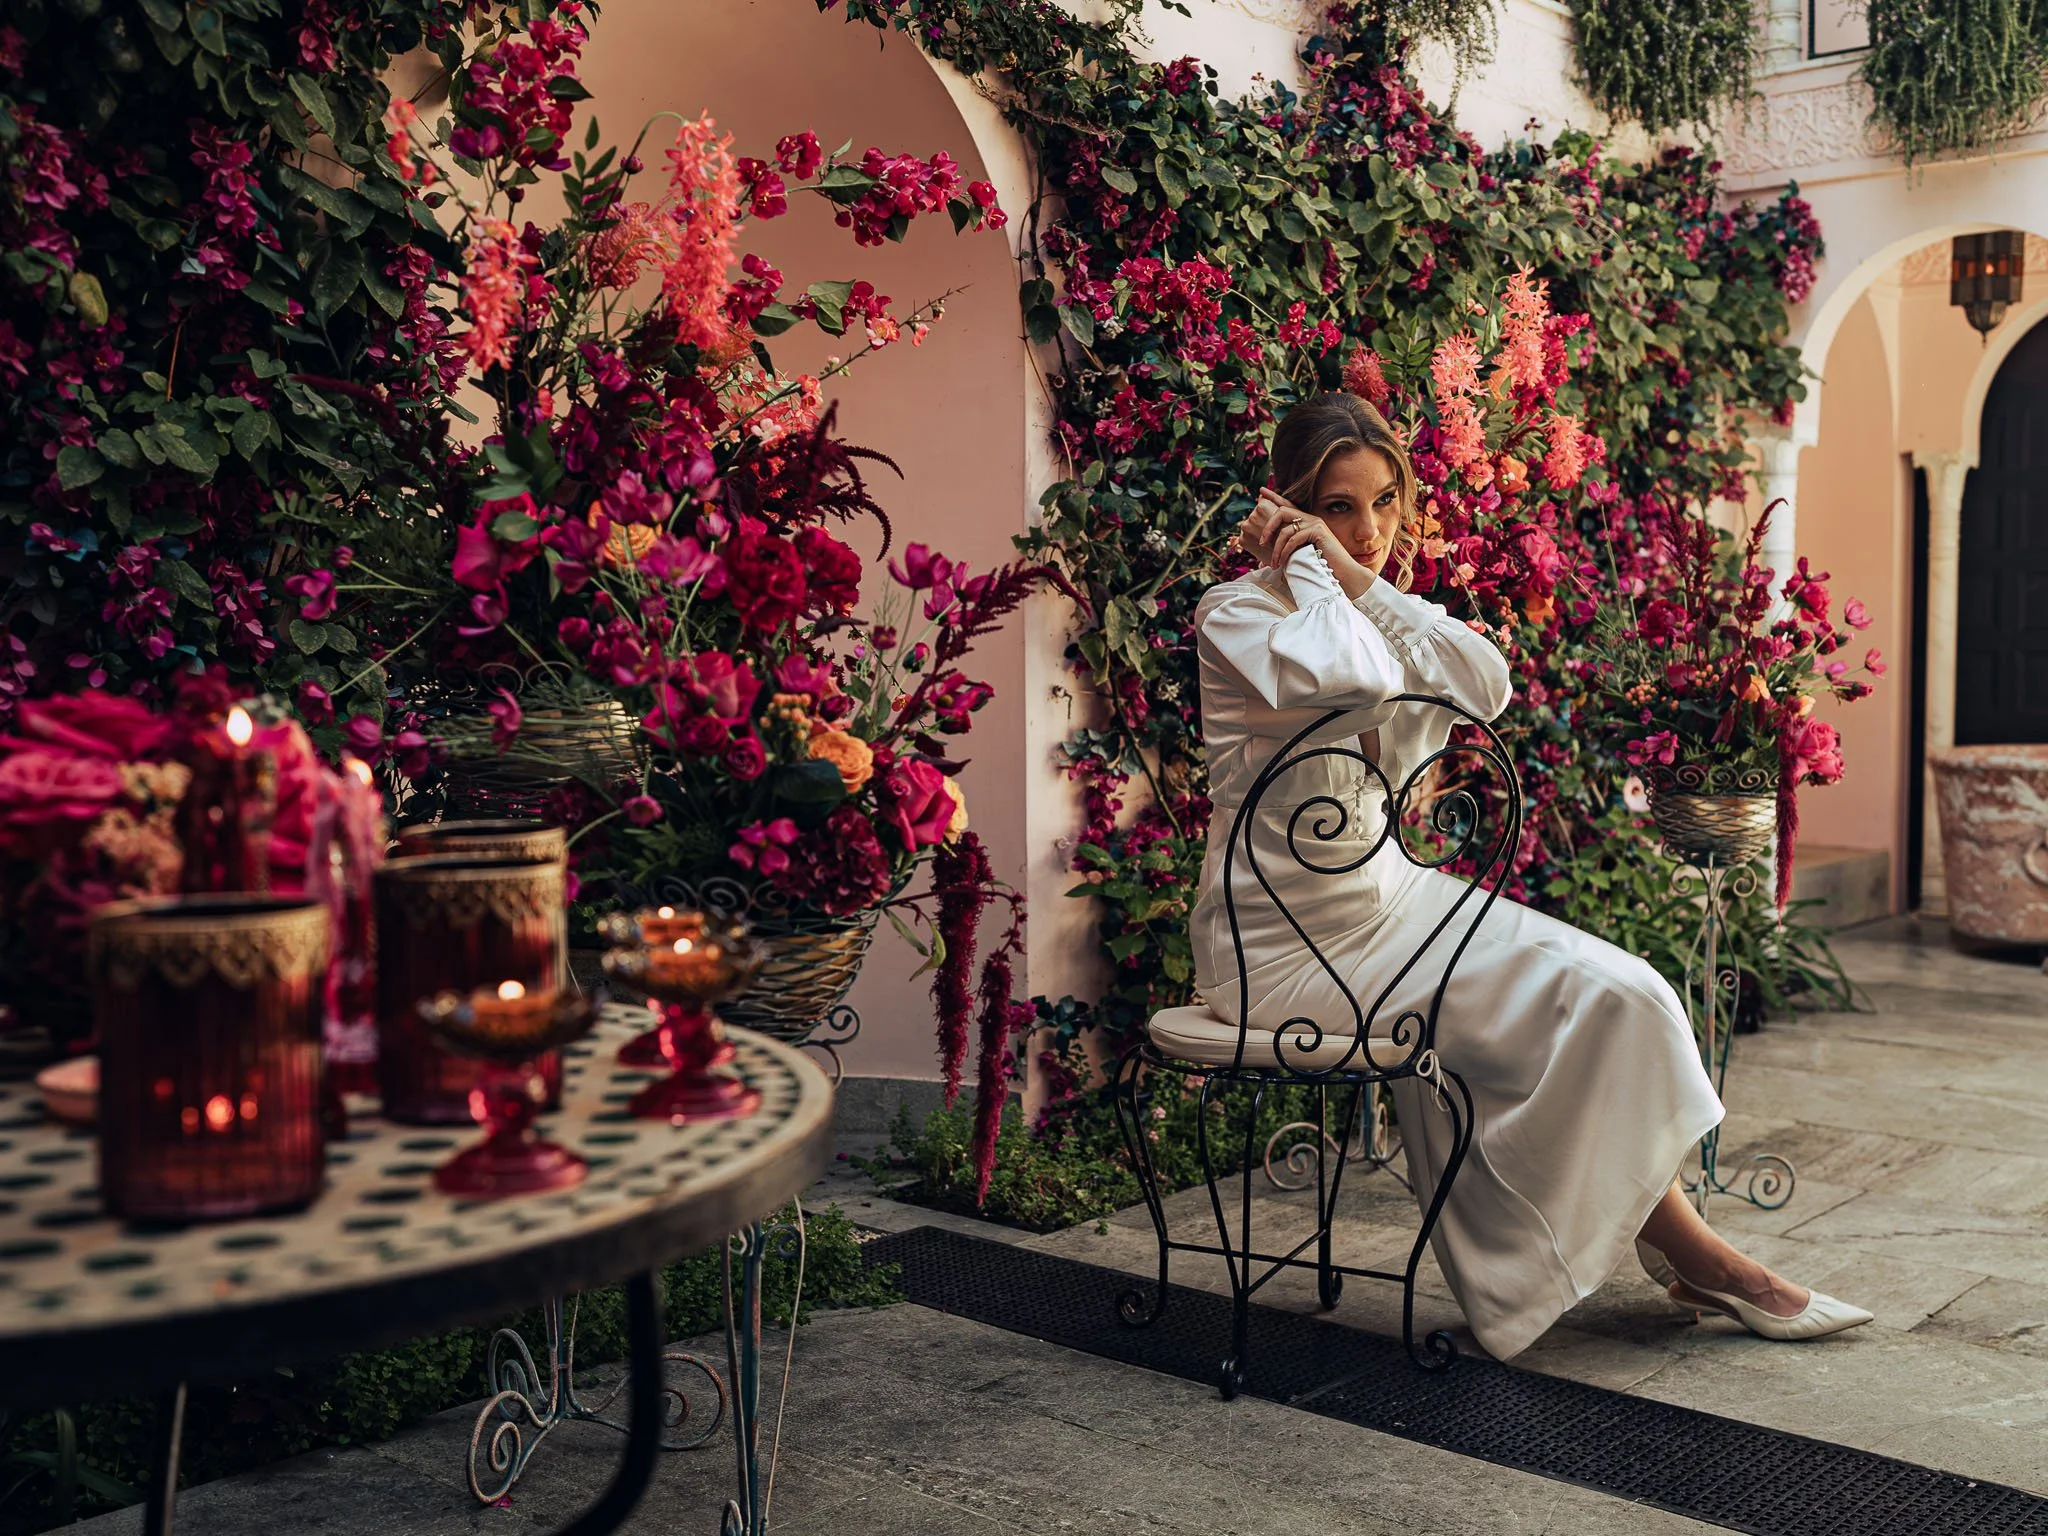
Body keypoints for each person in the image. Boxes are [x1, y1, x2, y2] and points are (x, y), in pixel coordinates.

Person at [1188, 391, 1870, 1359]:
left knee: (1626, 993)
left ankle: (1684, 1251)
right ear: (1288, 507)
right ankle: (1709, 1262)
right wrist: (1312, 568)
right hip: (1282, 947)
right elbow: (1354, 685)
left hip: (1392, 900)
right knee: (1559, 1008)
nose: (1370, 531)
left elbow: (1486, 685)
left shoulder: (1372, 602)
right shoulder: (1236, 614)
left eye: (1383, 502)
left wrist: (1349, 575)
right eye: (1336, 506)